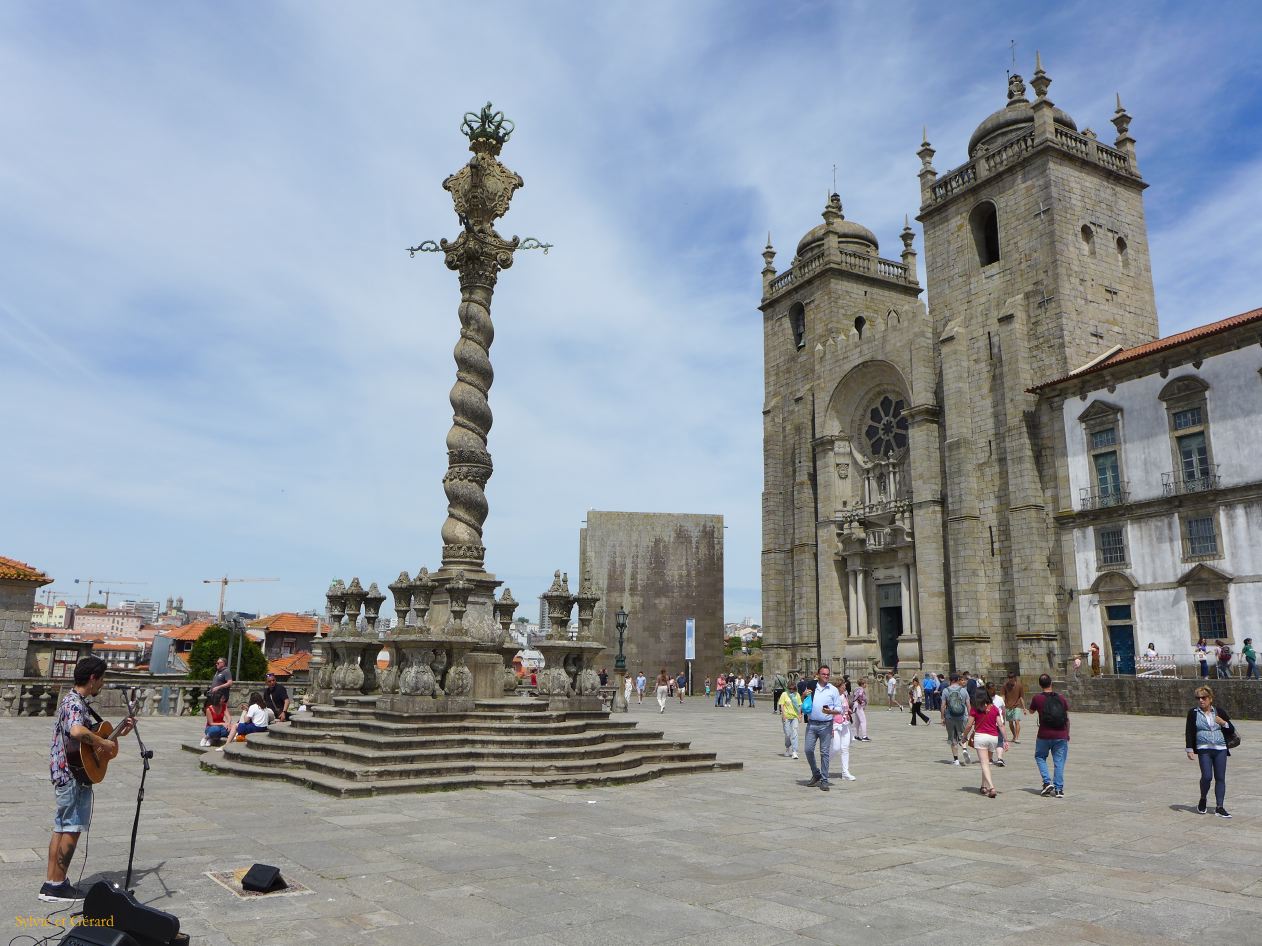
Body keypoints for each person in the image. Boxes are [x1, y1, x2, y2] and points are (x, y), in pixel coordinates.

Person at [43, 656, 135, 902]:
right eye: (102, 679)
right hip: (72, 775)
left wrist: (117, 734)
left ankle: (52, 881)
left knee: (61, 826)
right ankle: (57, 887)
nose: (102, 684)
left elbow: (87, 741)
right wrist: (103, 741)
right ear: (93, 678)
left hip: (67, 771)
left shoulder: (75, 701)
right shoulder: (74, 703)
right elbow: (77, 731)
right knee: (72, 827)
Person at [1185, 685, 1236, 818]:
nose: (1201, 700)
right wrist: (1189, 749)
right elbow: (1189, 731)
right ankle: (1203, 798)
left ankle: (1219, 807)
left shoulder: (1219, 711)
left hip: (1220, 749)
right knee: (1207, 776)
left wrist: (1224, 723)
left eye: (1204, 698)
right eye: (1198, 698)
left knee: (1220, 778)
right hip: (1204, 749)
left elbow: (1231, 729)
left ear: (1210, 698)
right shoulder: (1194, 712)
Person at [803, 666, 845, 791]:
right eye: (823, 674)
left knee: (824, 753)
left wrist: (830, 712)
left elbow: (840, 709)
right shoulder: (811, 686)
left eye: (827, 674)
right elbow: (804, 703)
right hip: (812, 724)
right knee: (808, 750)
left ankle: (824, 779)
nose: (826, 676)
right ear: (818, 675)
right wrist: (803, 695)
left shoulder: (833, 690)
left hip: (826, 725)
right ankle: (816, 773)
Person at [1028, 673, 1070, 798]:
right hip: (1061, 734)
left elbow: (1031, 711)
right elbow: (1067, 718)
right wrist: (1067, 734)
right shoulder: (1061, 698)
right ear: (1051, 683)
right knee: (1059, 762)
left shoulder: (1037, 698)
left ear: (1040, 685)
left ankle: (1047, 782)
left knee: (1040, 757)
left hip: (1044, 734)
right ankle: (1058, 789)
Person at [963, 689, 1001, 797]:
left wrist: (964, 736)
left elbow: (969, 725)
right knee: (987, 763)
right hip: (993, 737)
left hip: (981, 737)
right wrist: (1006, 739)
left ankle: (992, 787)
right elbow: (1000, 724)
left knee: (984, 763)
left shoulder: (975, 709)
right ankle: (983, 786)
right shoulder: (994, 708)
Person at [940, 672, 971, 765]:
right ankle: (964, 749)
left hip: (950, 717)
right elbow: (968, 705)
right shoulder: (963, 690)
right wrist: (970, 716)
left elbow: (942, 706)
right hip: (962, 716)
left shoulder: (946, 690)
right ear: (958, 680)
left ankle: (956, 760)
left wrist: (942, 717)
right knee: (962, 735)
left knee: (953, 738)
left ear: (950, 680)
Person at [829, 687, 857, 782]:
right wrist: (830, 727)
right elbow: (828, 712)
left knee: (845, 748)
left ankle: (845, 772)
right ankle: (823, 766)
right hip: (835, 725)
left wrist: (848, 712)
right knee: (836, 748)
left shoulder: (844, 695)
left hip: (845, 724)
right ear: (837, 687)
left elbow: (846, 708)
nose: (844, 688)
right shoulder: (832, 697)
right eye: (842, 686)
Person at [986, 681, 1007, 767]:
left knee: (990, 741)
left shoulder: (983, 699)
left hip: (989, 723)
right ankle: (999, 758)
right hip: (998, 723)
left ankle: (991, 759)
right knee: (999, 741)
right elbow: (1003, 711)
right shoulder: (1000, 699)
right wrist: (1003, 721)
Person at [777, 684, 801, 759]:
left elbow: (799, 705)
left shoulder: (797, 695)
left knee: (795, 733)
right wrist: (783, 715)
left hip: (795, 717)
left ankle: (794, 751)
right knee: (788, 734)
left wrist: (800, 715)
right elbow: (781, 705)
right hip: (786, 716)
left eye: (793, 689)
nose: (791, 690)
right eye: (790, 689)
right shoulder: (784, 694)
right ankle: (787, 748)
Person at [1001, 672, 1025, 743]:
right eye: (1009, 678)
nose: (1010, 679)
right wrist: (1002, 706)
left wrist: (1023, 708)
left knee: (1017, 721)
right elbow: (1003, 696)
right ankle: (1014, 736)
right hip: (1008, 706)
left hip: (1017, 706)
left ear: (1015, 678)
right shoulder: (1005, 686)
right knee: (1010, 723)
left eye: (1011, 678)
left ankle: (1017, 737)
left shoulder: (1019, 686)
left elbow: (1021, 697)